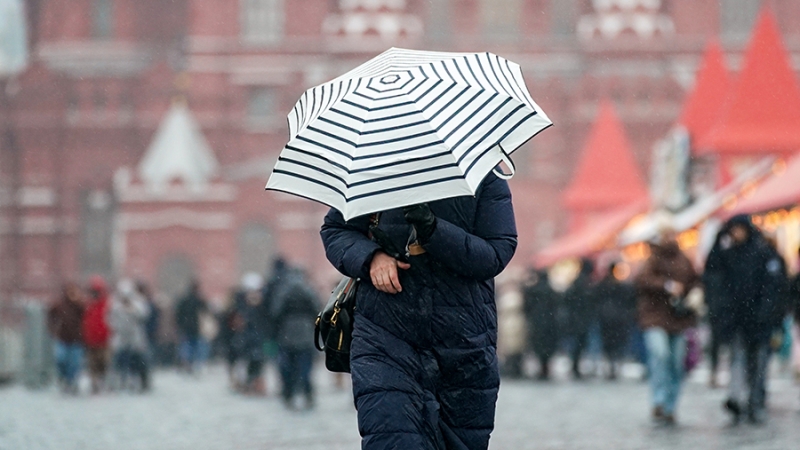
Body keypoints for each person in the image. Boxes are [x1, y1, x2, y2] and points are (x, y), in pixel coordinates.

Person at [321, 172, 517, 450]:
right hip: (385, 335)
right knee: (392, 440)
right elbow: (336, 230)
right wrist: (371, 257)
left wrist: (433, 230)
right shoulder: (373, 172)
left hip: (463, 343)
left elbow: (495, 253)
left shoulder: (484, 176)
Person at [704, 215, 790, 424]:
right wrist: (718, 239)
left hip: (760, 320)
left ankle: (755, 401)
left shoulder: (763, 254)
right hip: (736, 320)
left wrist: (768, 313)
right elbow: (711, 271)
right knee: (738, 359)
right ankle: (736, 399)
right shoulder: (728, 254)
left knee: (758, 363)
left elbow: (774, 287)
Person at [635, 229, 699, 425]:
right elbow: (642, 280)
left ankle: (671, 405)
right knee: (660, 355)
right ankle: (659, 401)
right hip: (654, 317)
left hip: (678, 319)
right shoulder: (653, 259)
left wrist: (695, 294)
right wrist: (667, 285)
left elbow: (695, 281)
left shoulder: (684, 259)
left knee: (676, 363)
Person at [271, 267, 319, 409]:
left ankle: (289, 394)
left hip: (287, 333)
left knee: (288, 367)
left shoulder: (283, 291)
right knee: (305, 367)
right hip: (305, 332)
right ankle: (307, 393)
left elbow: (276, 312)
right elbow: (317, 310)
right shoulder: (308, 290)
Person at [596, 262, 637, 380]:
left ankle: (610, 366)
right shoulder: (621, 286)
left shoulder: (603, 286)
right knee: (617, 344)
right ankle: (614, 365)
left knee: (608, 344)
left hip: (607, 319)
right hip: (618, 319)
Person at [109, 279, 151, 392]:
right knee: (119, 360)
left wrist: (131, 308)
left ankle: (141, 380)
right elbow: (110, 319)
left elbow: (143, 315)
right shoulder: (114, 303)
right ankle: (119, 381)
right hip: (120, 337)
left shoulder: (138, 302)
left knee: (138, 359)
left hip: (135, 336)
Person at [522, 269, 561, 380]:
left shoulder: (533, 291)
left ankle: (542, 366)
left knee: (539, 345)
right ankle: (546, 366)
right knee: (548, 346)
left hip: (537, 322)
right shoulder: (552, 291)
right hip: (550, 322)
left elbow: (527, 306)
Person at [47, 282, 85, 394]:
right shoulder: (60, 305)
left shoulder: (80, 305)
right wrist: (52, 329)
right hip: (63, 338)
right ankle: (63, 378)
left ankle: (71, 382)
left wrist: (78, 301)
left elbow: (86, 313)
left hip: (77, 339)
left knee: (74, 363)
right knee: (61, 360)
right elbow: (50, 315)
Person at [563, 258, 597, 379]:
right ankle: (575, 367)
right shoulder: (585, 283)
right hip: (581, 319)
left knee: (577, 344)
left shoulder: (577, 281)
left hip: (576, 318)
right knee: (579, 344)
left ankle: (575, 367)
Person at [82, 275, 112, 394]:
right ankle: (95, 384)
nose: (95, 293)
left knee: (103, 363)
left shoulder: (107, 304)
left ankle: (101, 381)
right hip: (91, 340)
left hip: (104, 340)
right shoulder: (88, 304)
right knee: (92, 365)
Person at [175, 280, 209, 374]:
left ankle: (187, 364)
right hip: (197, 328)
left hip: (186, 328)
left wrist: (180, 325)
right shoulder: (199, 301)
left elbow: (178, 315)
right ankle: (197, 365)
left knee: (187, 348)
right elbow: (206, 312)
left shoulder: (184, 300)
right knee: (198, 348)